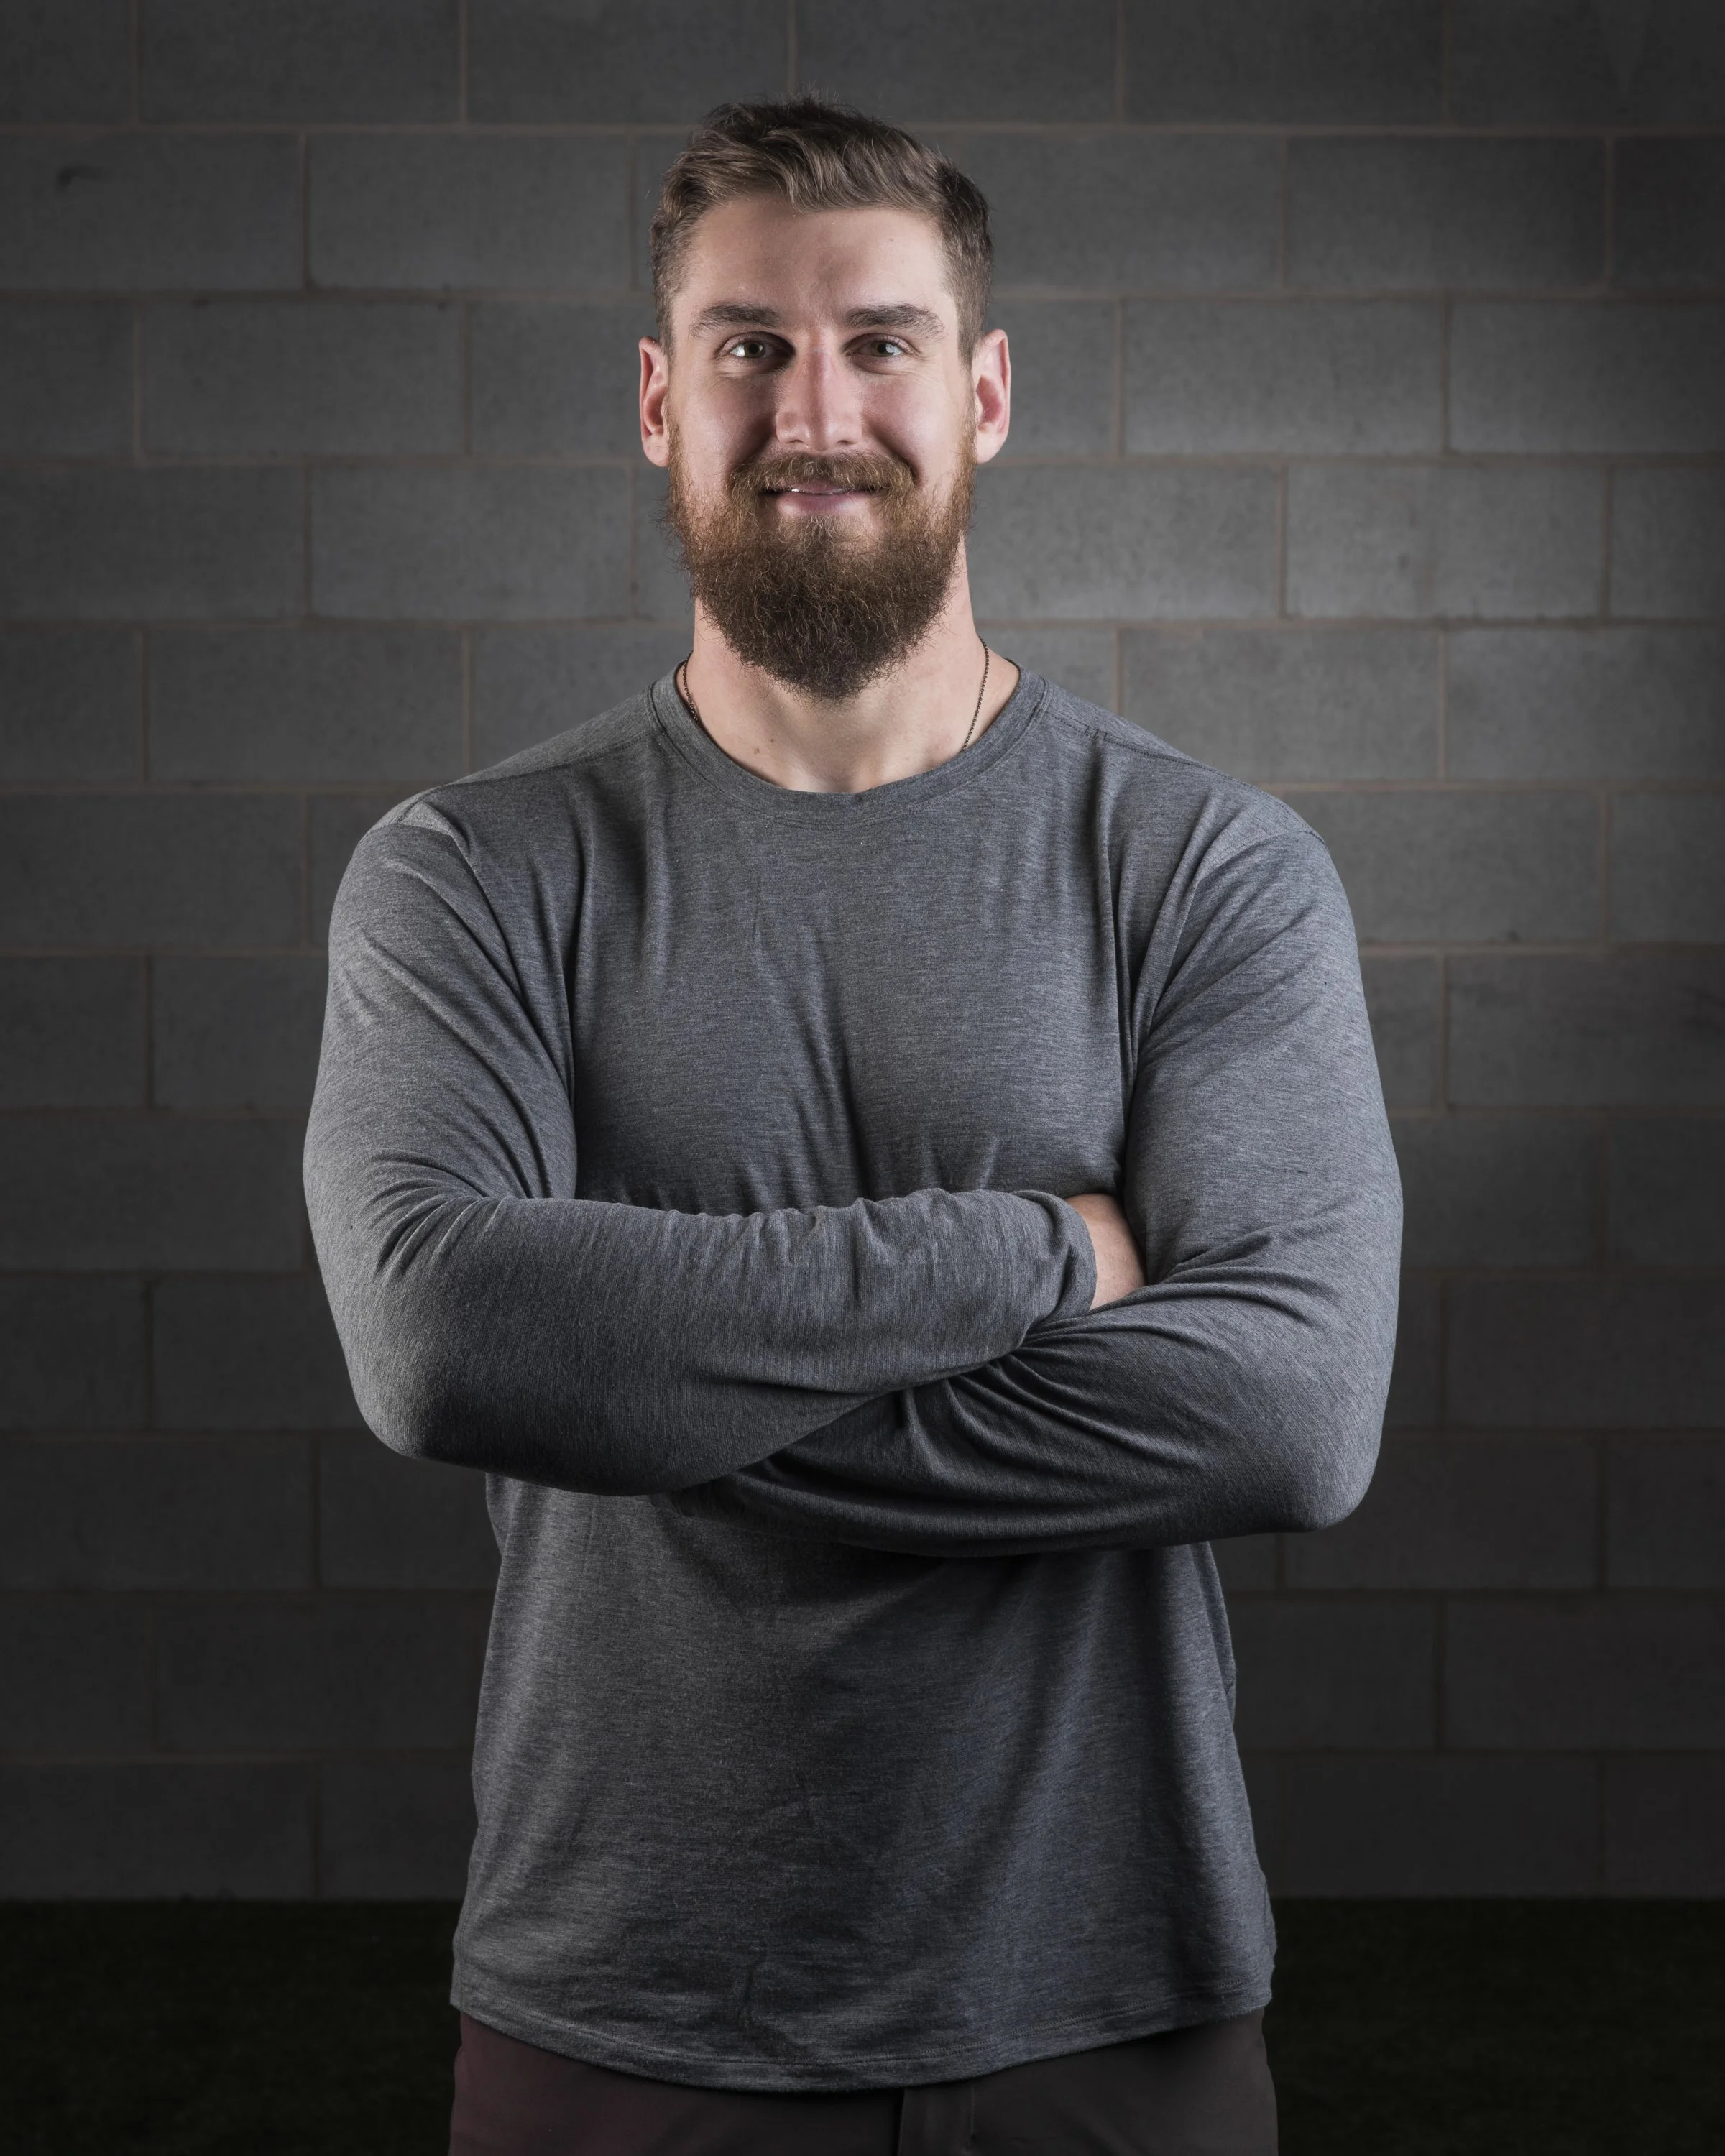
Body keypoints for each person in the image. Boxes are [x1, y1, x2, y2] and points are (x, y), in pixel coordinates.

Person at [303, 96, 1402, 2156]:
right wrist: (1037, 1256)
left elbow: (1289, 1416)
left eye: (880, 342)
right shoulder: (471, 875)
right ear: (659, 398)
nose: (817, 411)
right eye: (751, 347)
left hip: (1110, 2019)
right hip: (617, 2022)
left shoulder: (1205, 872)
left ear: (983, 393)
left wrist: (644, 1387)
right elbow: (450, 1340)